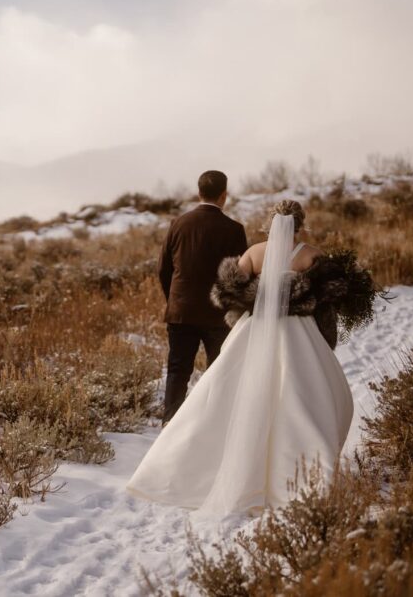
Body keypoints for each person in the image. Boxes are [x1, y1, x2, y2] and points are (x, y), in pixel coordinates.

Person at [127, 200, 355, 516]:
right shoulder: (310, 254)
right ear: (299, 224)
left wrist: (256, 299)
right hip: (298, 332)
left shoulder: (254, 253)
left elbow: (227, 291)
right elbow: (330, 295)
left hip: (254, 329)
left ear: (270, 223)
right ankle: (299, 473)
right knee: (302, 393)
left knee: (229, 391)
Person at [158, 170, 248, 424]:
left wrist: (174, 300)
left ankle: (170, 423)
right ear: (224, 195)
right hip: (217, 314)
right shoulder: (234, 229)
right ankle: (213, 423)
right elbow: (240, 275)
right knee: (218, 371)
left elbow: (163, 269)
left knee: (178, 370)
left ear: (199, 192)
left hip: (181, 310)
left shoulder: (178, 224)